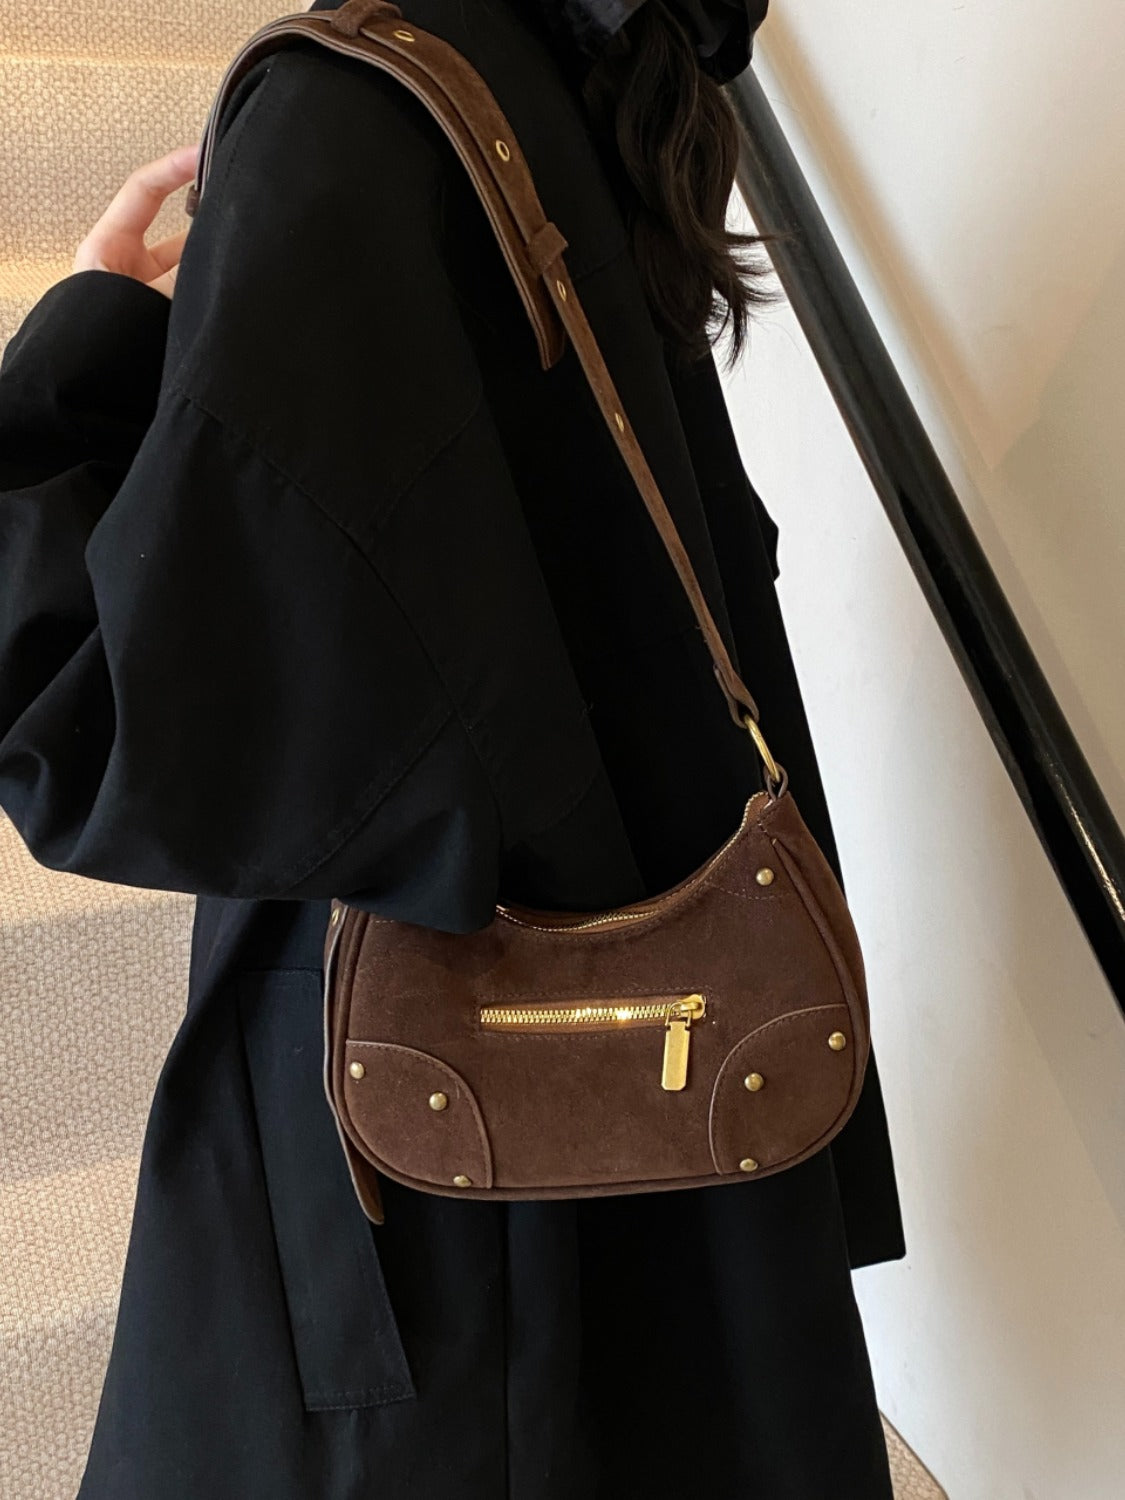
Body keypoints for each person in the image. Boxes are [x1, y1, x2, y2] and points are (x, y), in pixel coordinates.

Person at [0, 0, 906, 1494]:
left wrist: (81, 353)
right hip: (643, 1079)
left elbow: (98, 736)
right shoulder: (583, 81)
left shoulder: (351, 111)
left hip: (442, 1185)